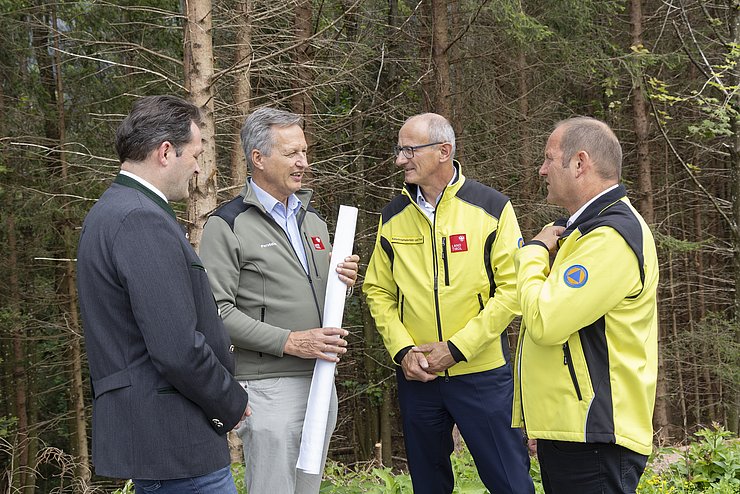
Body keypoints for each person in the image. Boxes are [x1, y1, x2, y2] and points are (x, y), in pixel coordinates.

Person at [76, 95, 250, 494]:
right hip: (177, 443)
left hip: (163, 440)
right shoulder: (139, 219)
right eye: (195, 154)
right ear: (166, 152)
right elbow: (176, 347)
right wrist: (231, 402)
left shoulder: (116, 209)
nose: (198, 166)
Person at [363, 113, 534, 494]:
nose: (400, 159)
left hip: (483, 375)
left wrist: (457, 349)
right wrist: (403, 350)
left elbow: (512, 290)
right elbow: (377, 290)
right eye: (399, 150)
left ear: (444, 151)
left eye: (409, 150)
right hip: (418, 377)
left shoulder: (492, 208)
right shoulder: (392, 217)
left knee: (510, 481)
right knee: (428, 484)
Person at [198, 106, 359, 494]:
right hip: (269, 387)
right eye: (291, 153)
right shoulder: (227, 225)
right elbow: (215, 313)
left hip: (321, 381)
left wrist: (344, 284)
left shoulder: (313, 220)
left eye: (304, 152)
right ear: (258, 158)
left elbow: (311, 293)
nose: (303, 162)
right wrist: (290, 341)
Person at [513, 117, 659, 493]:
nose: (542, 169)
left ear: (579, 163)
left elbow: (546, 320)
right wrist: (545, 422)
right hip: (578, 431)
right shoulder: (586, 232)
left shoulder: (610, 237)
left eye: (548, 158)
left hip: (595, 436)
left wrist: (530, 254)